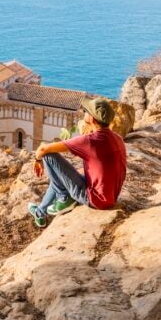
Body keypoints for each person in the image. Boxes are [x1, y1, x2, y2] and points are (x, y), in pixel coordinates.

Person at [27, 97, 127, 228]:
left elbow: (43, 149)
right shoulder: (117, 138)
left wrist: (37, 160)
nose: (83, 112)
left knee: (49, 156)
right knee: (59, 177)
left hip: (94, 199)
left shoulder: (90, 141)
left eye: (86, 110)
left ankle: (64, 198)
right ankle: (40, 211)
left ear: (92, 119)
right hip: (110, 196)